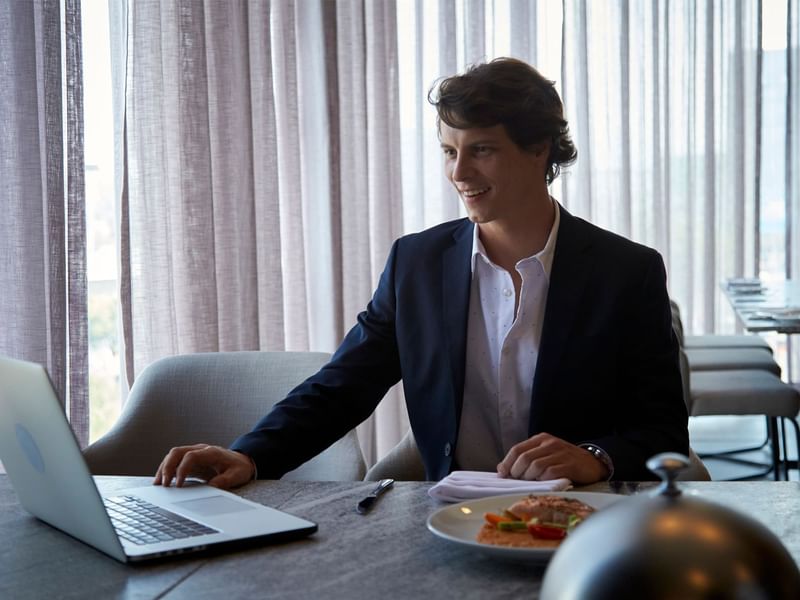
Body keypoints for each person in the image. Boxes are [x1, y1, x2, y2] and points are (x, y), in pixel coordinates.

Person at [154, 57, 689, 490]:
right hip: (449, 522)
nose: (459, 173)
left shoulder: (627, 271)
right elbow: (343, 386)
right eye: (449, 152)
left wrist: (593, 457)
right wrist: (249, 454)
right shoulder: (417, 263)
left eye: (481, 150)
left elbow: (663, 426)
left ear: (538, 149)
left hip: (583, 519)